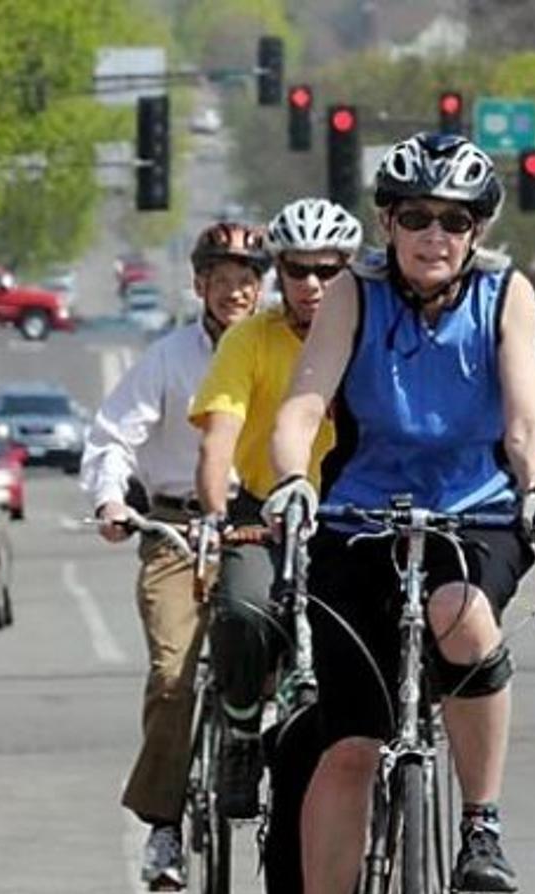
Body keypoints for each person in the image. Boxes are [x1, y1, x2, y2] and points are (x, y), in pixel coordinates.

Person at [261, 133, 535, 894]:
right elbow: (304, 404)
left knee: (461, 615)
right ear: (388, 223)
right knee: (348, 750)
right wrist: (291, 479)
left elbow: (525, 418)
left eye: (454, 220)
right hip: (359, 520)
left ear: (476, 230)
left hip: (473, 515)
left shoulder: (505, 293)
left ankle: (481, 822)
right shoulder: (353, 293)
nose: (434, 235)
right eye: (415, 217)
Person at [80, 223, 270, 890]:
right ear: (199, 285)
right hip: (177, 531)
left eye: (247, 280)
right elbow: (112, 438)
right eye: (222, 280)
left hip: (258, 527)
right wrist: (110, 501)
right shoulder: (168, 358)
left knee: (292, 661)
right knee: (172, 678)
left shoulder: (280, 347)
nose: (235, 292)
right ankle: (164, 825)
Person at [189, 198, 362, 817]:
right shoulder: (248, 339)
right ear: (278, 274)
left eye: (328, 270)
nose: (313, 284)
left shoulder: (374, 334)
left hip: (354, 514)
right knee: (243, 610)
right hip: (264, 514)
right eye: (297, 269)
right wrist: (216, 518)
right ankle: (240, 732)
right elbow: (219, 440)